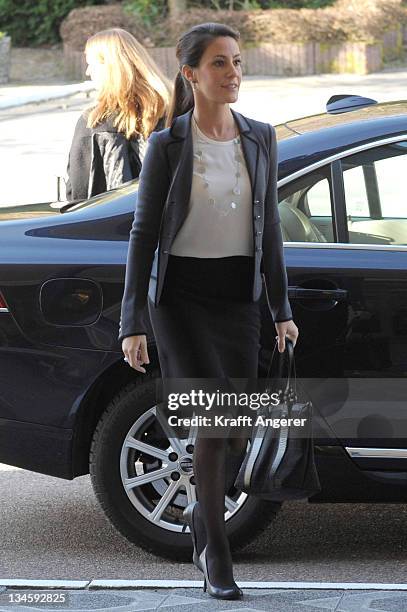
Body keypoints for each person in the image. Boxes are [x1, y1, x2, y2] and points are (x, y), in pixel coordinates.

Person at [118, 22, 299, 600]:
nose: (233, 73)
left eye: (238, 62)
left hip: (236, 298)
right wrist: (133, 321)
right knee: (214, 417)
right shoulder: (167, 145)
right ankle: (215, 550)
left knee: (234, 424)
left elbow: (268, 229)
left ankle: (203, 519)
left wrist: (280, 308)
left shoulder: (260, 138)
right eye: (219, 63)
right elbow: (143, 234)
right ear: (191, 73)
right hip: (181, 299)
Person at [65, 28, 171, 202]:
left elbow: (77, 194)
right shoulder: (176, 112)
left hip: (110, 224)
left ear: (110, 67)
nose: (88, 72)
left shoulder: (93, 123)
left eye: (91, 64)